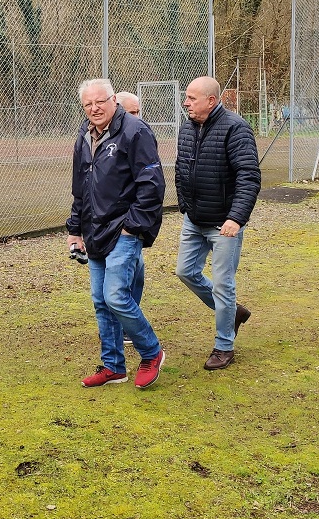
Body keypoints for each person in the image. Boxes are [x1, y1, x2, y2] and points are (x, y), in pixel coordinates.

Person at [67, 78, 167, 389]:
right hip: (94, 231)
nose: (94, 108)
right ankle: (113, 366)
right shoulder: (84, 137)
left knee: (116, 296)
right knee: (101, 300)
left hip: (123, 230)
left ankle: (151, 352)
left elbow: (152, 184)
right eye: (88, 104)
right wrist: (75, 230)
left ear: (114, 101)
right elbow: (81, 189)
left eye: (100, 101)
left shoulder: (136, 132)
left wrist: (131, 227)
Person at [174, 76, 261, 371]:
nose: (186, 102)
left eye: (192, 98)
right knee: (185, 272)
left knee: (223, 285)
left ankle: (224, 346)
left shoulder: (235, 128)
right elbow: (181, 167)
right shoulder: (187, 127)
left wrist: (236, 218)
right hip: (194, 219)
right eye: (186, 97)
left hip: (225, 224)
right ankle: (232, 313)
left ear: (211, 101)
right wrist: (185, 205)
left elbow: (248, 177)